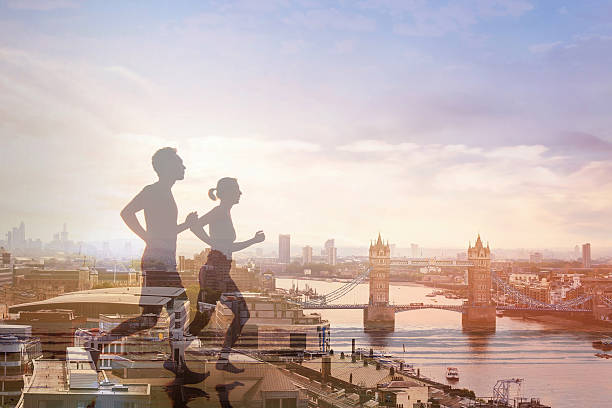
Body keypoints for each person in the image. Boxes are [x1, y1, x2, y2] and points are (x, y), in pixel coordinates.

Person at [110, 147, 197, 340]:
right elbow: (126, 212)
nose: (184, 166)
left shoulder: (164, 192)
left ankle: (99, 344)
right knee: (179, 308)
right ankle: (177, 364)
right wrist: (146, 237)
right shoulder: (154, 191)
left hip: (160, 261)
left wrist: (186, 225)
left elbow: (164, 232)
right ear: (168, 167)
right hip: (159, 263)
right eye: (179, 163)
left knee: (150, 319)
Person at [187, 177, 264, 373]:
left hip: (221, 273)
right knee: (204, 319)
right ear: (229, 192)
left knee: (240, 314)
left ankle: (222, 359)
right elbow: (195, 226)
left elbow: (228, 246)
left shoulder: (225, 213)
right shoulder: (219, 211)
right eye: (237, 190)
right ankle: (174, 354)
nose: (240, 193)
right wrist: (213, 243)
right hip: (214, 273)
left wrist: (253, 241)